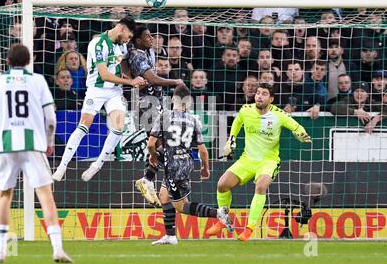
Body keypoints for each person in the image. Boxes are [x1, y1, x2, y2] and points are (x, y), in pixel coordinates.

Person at [0, 43, 72, 263]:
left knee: (5, 195)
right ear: (29, 62)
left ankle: (0, 251)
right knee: (45, 196)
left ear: (7, 61)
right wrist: (49, 142)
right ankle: (57, 249)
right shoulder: (37, 80)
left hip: (6, 145)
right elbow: (51, 118)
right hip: (33, 144)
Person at [206, 83, 311, 240]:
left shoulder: (279, 115)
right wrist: (230, 140)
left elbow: (297, 127)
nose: (259, 96)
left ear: (271, 99)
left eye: (264, 94)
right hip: (247, 159)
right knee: (222, 184)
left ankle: (249, 228)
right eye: (258, 93)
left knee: (261, 186)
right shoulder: (246, 110)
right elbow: (237, 122)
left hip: (268, 161)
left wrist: (301, 134)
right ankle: (223, 218)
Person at [52, 16, 145, 182]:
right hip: (97, 90)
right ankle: (62, 166)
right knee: (83, 127)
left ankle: (97, 164)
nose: (128, 40)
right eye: (129, 36)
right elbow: (104, 74)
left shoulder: (122, 46)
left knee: (118, 127)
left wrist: (133, 78)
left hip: (114, 92)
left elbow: (118, 67)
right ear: (121, 29)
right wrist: (130, 82)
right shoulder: (98, 44)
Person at [149, 85, 233, 245]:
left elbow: (151, 144)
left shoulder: (164, 117)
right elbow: (203, 151)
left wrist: (153, 157)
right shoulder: (193, 120)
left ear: (173, 99)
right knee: (164, 196)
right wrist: (205, 168)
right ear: (188, 103)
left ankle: (218, 213)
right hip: (186, 162)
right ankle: (170, 235)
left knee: (181, 206)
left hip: (172, 164)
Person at [128, 25, 184, 207]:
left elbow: (128, 67)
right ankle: (150, 179)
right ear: (137, 40)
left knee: (164, 147)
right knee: (164, 146)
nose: (151, 38)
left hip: (153, 104)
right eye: (147, 36)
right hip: (147, 105)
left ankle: (149, 179)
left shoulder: (145, 54)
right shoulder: (137, 54)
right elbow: (152, 79)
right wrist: (175, 81)